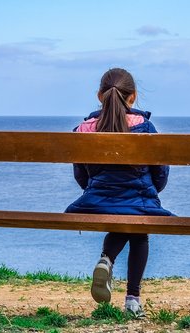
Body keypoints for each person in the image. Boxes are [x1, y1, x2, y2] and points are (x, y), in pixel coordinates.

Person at [65, 68, 173, 317]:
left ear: (99, 96)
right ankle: (133, 299)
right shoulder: (145, 127)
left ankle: (107, 258)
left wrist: (96, 191)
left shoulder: (84, 129)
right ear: (133, 96)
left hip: (94, 202)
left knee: (125, 211)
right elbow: (160, 175)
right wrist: (147, 191)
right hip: (138, 202)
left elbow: (81, 176)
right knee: (138, 228)